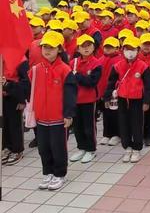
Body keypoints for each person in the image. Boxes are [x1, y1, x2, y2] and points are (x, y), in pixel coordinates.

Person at [29, 31, 76, 191]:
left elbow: (70, 94)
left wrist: (68, 114)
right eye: (44, 47)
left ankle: (59, 174)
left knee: (58, 147)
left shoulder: (65, 70)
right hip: (41, 117)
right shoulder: (35, 70)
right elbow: (27, 88)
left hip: (58, 118)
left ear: (60, 50)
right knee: (44, 148)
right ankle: (47, 172)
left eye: (51, 47)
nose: (47, 50)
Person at [105, 36, 150, 163]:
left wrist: (147, 101)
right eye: (127, 49)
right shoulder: (117, 66)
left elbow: (149, 85)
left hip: (137, 101)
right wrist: (107, 97)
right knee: (124, 124)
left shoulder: (143, 66)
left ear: (138, 50)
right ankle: (127, 147)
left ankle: (137, 148)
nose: (130, 52)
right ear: (123, 50)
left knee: (136, 124)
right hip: (122, 99)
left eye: (133, 49)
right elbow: (110, 82)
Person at [69, 34, 102, 164]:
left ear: (94, 47)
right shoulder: (73, 63)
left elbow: (91, 82)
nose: (86, 48)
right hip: (75, 99)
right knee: (77, 126)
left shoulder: (96, 64)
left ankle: (91, 149)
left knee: (89, 126)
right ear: (78, 49)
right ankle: (81, 147)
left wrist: (77, 76)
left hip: (89, 99)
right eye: (83, 46)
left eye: (89, 45)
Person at [2, 57, 29, 165]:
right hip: (2, 98)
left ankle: (17, 150)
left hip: (14, 96)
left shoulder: (20, 59)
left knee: (14, 124)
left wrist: (22, 100)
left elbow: (26, 83)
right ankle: (7, 147)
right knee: (4, 124)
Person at [98, 37, 122, 146]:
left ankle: (116, 134)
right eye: (106, 47)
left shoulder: (119, 59)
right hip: (103, 91)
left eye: (110, 47)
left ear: (117, 48)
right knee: (106, 113)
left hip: (114, 92)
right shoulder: (100, 59)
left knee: (115, 114)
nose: (107, 49)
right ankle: (106, 134)